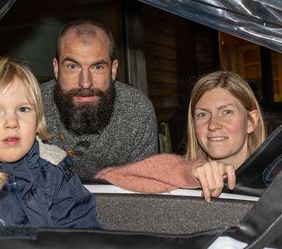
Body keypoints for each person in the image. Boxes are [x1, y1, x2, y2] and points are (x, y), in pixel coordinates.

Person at [0, 56, 100, 229]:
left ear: (38, 118)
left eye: (23, 109)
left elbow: (83, 234)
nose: (12, 122)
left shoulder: (54, 169)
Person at [96, 71, 266, 202]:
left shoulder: (276, 179)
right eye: (202, 115)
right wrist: (190, 173)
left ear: (251, 121)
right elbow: (106, 178)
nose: (213, 125)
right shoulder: (185, 176)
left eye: (226, 112)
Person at [41, 19, 158, 179]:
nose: (85, 83)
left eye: (97, 67)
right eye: (72, 66)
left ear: (113, 70)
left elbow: (145, 194)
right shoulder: (31, 106)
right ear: (56, 68)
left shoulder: (138, 111)